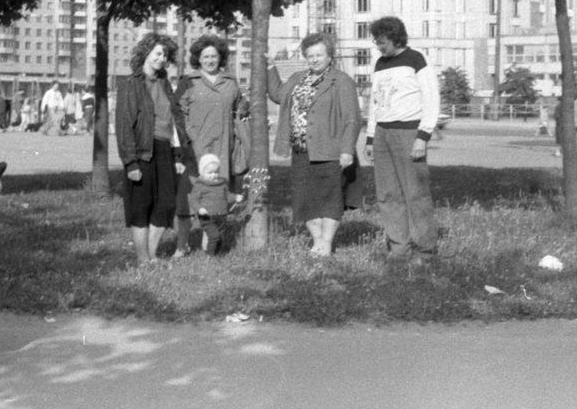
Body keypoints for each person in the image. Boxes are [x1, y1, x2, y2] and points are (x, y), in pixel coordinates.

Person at [268, 32, 361, 257]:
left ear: (330, 56)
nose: (314, 59)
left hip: (330, 151)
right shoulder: (298, 78)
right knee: (305, 199)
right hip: (301, 151)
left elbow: (352, 118)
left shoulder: (341, 81)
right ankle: (317, 241)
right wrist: (270, 67)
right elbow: (278, 95)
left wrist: (347, 150)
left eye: (319, 55)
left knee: (330, 200)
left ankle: (326, 243)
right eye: (310, 55)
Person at [364, 16, 440, 266]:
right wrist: (370, 137)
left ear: (396, 38)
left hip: (409, 132)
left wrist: (423, 136)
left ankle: (425, 251)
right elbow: (375, 103)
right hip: (382, 133)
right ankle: (399, 249)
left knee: (415, 194)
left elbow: (431, 99)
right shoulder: (380, 64)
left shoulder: (416, 59)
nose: (379, 46)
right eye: (376, 42)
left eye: (382, 41)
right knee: (388, 194)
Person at [115, 32, 187, 265]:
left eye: (165, 55)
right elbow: (124, 125)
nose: (161, 58)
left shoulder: (165, 84)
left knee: (166, 204)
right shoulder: (131, 84)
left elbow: (174, 120)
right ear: (146, 53)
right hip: (142, 150)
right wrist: (131, 162)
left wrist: (178, 154)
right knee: (141, 206)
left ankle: (151, 254)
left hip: (165, 149)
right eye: (157, 53)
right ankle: (143, 260)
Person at [172, 34, 247, 257]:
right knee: (187, 199)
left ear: (220, 57)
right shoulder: (188, 81)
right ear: (198, 58)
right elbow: (177, 112)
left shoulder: (230, 82)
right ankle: (182, 245)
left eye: (214, 56)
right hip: (195, 149)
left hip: (223, 148)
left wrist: (246, 109)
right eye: (205, 56)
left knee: (216, 200)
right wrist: (186, 142)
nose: (210, 60)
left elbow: (240, 107)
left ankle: (210, 245)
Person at [187, 153, 243, 256]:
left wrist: (235, 197)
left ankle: (217, 253)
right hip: (205, 215)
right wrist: (199, 208)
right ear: (202, 172)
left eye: (216, 172)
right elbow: (194, 199)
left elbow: (227, 196)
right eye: (210, 173)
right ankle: (210, 256)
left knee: (220, 236)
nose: (213, 175)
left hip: (221, 214)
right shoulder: (200, 185)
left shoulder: (222, 183)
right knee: (214, 235)